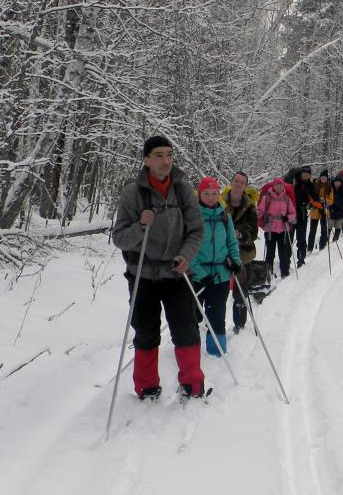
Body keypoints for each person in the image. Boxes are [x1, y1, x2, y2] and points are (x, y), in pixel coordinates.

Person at [111, 135, 205, 400]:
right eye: (159, 155)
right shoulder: (132, 193)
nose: (166, 160)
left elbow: (196, 230)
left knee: (186, 330)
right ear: (146, 160)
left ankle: (192, 385)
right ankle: (147, 387)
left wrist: (186, 255)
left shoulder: (183, 189)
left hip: (177, 274)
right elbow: (119, 238)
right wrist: (140, 226)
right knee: (146, 332)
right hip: (143, 274)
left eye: (169, 154)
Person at [190, 177, 242, 357]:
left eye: (214, 193)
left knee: (217, 315)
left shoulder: (224, 216)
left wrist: (236, 262)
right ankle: (191, 351)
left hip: (221, 275)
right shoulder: (192, 217)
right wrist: (200, 273)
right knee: (192, 316)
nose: (211, 197)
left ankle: (216, 353)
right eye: (206, 193)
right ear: (199, 194)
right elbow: (188, 249)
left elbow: (231, 242)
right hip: (197, 277)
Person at [221, 172, 259, 333]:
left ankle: (239, 324)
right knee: (220, 292)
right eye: (236, 181)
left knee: (240, 290)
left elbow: (254, 233)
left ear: (245, 185)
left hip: (243, 253)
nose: (238, 184)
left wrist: (241, 235)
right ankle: (216, 326)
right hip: (221, 253)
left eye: (242, 182)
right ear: (231, 182)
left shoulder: (250, 207)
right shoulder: (219, 203)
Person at [257, 177, 295, 277]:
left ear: (283, 186)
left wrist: (287, 218)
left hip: (283, 229)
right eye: (277, 185)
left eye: (281, 185)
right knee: (270, 254)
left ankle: (285, 273)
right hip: (270, 230)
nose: (279, 187)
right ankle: (268, 275)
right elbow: (260, 211)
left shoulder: (286, 198)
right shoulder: (266, 198)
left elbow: (293, 213)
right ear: (273, 186)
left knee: (283, 253)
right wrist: (255, 213)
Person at [291, 165, 316, 265]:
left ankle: (301, 259)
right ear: (301, 174)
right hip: (291, 215)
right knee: (289, 239)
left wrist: (315, 204)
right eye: (304, 173)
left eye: (308, 174)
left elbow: (315, 197)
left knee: (301, 238)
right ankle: (286, 262)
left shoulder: (310, 186)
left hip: (302, 215)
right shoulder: (294, 182)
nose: (306, 175)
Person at [308, 169, 334, 251]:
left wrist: (325, 200)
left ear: (327, 179)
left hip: (324, 210)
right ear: (320, 178)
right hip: (315, 210)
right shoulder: (315, 185)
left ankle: (322, 246)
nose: (323, 179)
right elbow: (310, 196)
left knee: (324, 230)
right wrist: (315, 202)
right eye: (322, 177)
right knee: (312, 231)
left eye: (325, 178)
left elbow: (331, 200)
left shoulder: (329, 188)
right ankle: (309, 248)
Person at [330, 175, 343, 243]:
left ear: (341, 183)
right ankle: (326, 241)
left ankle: (335, 240)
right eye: (336, 182)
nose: (337, 183)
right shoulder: (330, 189)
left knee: (338, 226)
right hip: (331, 211)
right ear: (334, 182)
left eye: (338, 182)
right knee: (329, 226)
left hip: (340, 211)